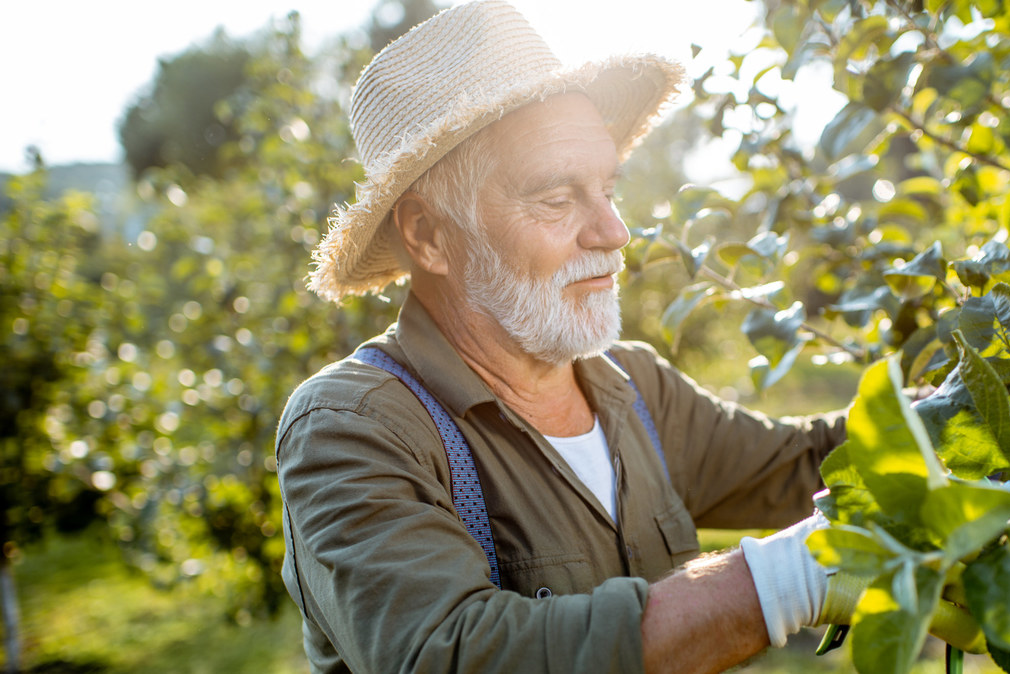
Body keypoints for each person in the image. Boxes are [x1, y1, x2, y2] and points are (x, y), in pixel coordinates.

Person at [275, 2, 856, 672]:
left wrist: (980, 407)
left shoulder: (634, 388)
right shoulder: (355, 427)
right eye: (557, 199)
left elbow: (805, 463)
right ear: (430, 235)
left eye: (608, 189)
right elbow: (458, 655)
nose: (614, 233)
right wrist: (785, 581)